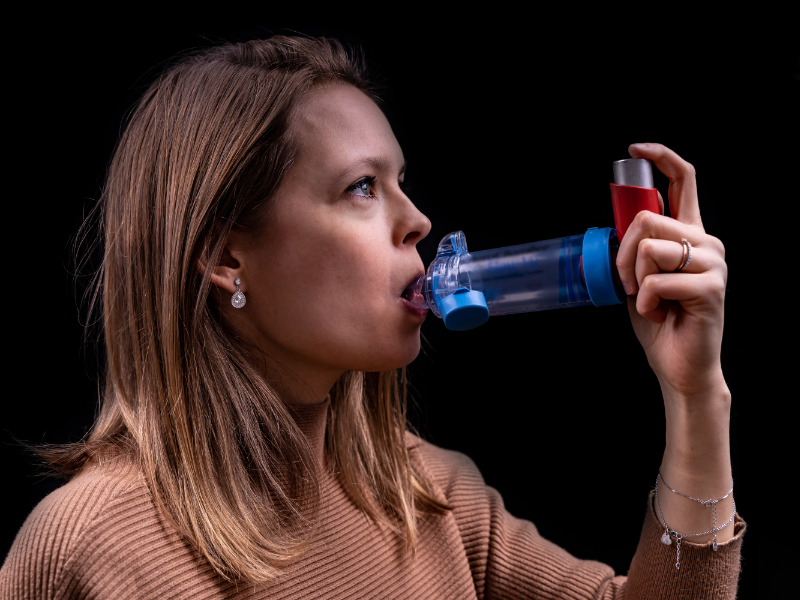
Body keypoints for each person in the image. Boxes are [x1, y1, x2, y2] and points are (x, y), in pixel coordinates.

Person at [0, 36, 744, 599]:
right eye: (362, 187)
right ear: (227, 258)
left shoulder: (433, 498)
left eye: (401, 183)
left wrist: (695, 397)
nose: (418, 220)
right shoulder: (86, 546)